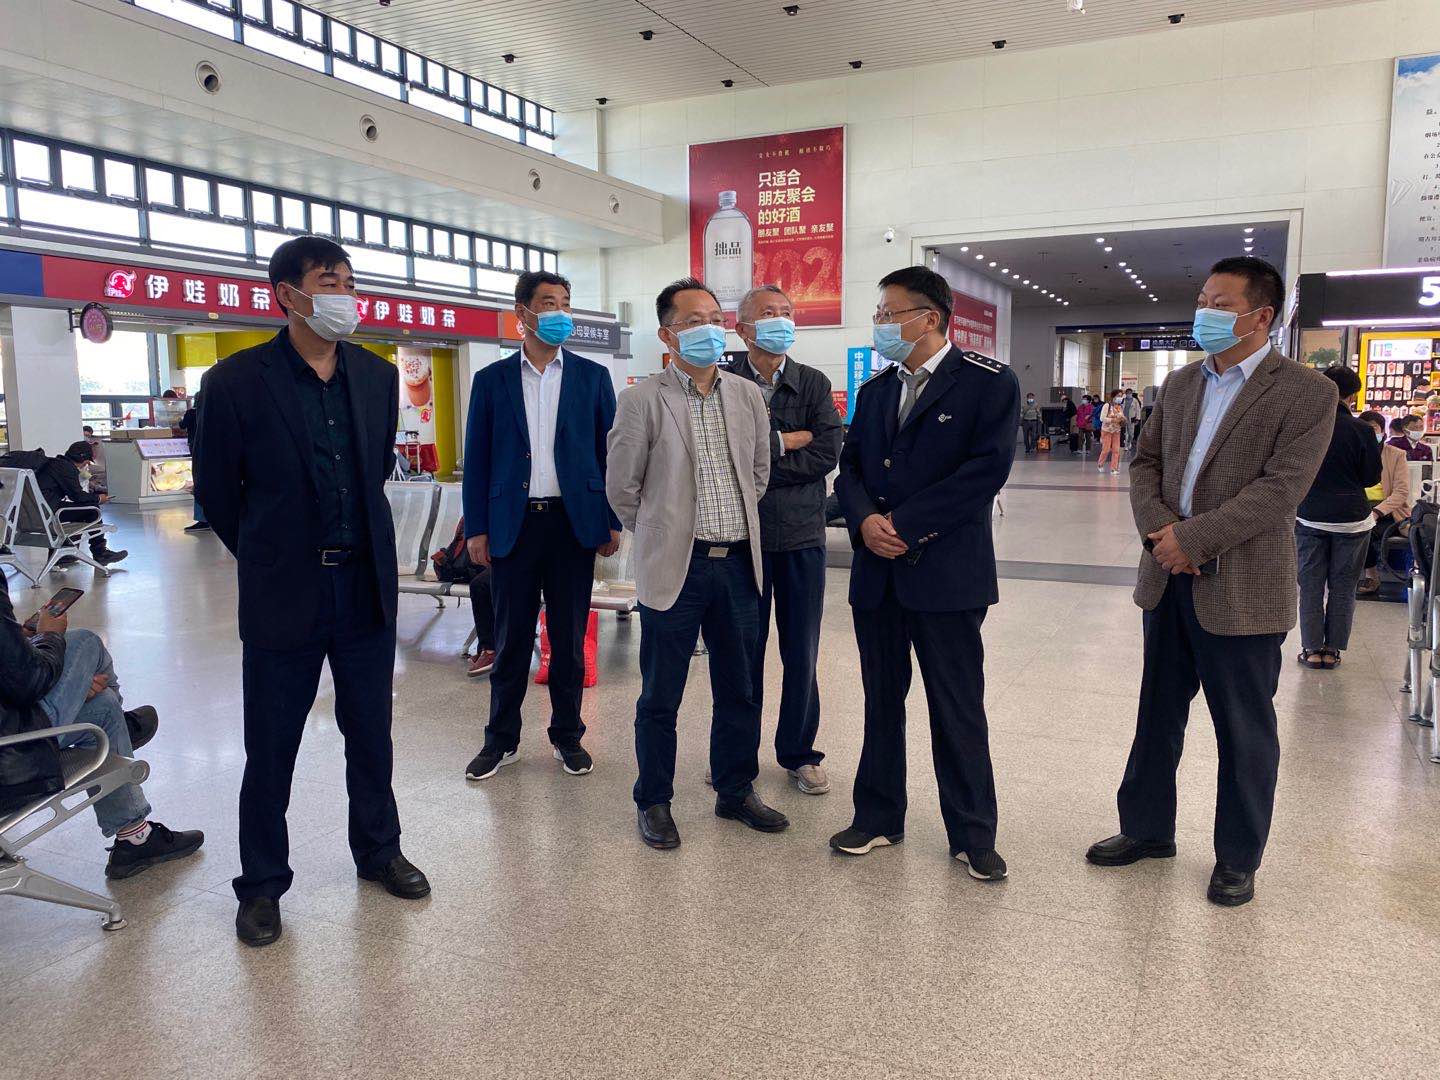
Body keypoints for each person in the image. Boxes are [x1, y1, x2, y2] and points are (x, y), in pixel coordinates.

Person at [194, 236, 430, 948]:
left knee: (371, 733)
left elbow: (373, 472)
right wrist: (271, 555)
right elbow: (218, 494)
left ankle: (379, 850)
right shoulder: (236, 381)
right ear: (287, 295)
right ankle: (262, 885)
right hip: (285, 592)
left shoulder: (376, 376)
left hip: (363, 587)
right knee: (271, 747)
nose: (344, 296)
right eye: (330, 282)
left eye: (350, 283)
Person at [1086, 255, 1337, 908]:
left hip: (1245, 590)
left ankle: (1237, 859)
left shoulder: (1307, 392)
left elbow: (1280, 491)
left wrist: (1192, 540)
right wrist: (1160, 535)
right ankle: (1146, 830)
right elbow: (1144, 463)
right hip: (1167, 580)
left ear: (1261, 316)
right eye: (1202, 300)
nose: (1204, 312)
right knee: (1157, 716)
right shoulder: (1180, 384)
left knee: (1244, 731)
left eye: (1219, 304)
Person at [829, 265, 1019, 882]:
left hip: (946, 574)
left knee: (956, 706)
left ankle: (973, 833)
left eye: (889, 314)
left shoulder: (988, 382)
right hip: (877, 575)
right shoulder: (878, 389)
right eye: (879, 314)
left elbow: (984, 472)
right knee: (881, 701)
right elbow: (851, 467)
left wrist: (904, 525)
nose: (880, 324)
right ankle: (878, 816)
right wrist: (863, 520)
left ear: (929, 318)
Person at [606, 277, 785, 850]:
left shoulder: (747, 394)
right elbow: (622, 488)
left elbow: (758, 472)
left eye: (714, 319)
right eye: (692, 321)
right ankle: (654, 800)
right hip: (675, 569)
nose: (708, 329)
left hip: (738, 566)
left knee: (741, 689)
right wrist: (661, 531)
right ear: (667, 335)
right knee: (661, 695)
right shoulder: (642, 400)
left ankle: (735, 790)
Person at [460, 270, 621, 783]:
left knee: (569, 640)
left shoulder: (592, 377)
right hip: (514, 526)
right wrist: (477, 528)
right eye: (549, 303)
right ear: (523, 312)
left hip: (573, 525)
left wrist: (611, 519)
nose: (560, 313)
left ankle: (568, 736)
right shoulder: (492, 380)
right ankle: (500, 740)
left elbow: (611, 455)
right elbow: (477, 458)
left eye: (565, 303)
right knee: (510, 640)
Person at [0, 570, 202, 878]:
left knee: (102, 706)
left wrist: (17, 641)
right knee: (85, 643)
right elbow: (29, 682)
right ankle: (123, 728)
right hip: (12, 751)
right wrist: (48, 635)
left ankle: (136, 837)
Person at [726, 284, 843, 795]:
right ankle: (735, 755)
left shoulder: (812, 382)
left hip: (800, 537)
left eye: (786, 312)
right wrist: (784, 444)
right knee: (741, 653)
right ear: (742, 329)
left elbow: (826, 452)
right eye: (768, 313)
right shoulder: (724, 381)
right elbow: (717, 453)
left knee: (802, 652)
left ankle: (799, 753)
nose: (781, 320)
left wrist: (756, 467)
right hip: (740, 539)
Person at [1293, 367, 1382, 669]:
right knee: (1343, 587)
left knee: (1310, 586)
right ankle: (1332, 650)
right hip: (1352, 520)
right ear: (1352, 395)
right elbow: (1371, 478)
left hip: (1310, 516)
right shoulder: (1362, 430)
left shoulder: (1305, 426)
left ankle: (1311, 649)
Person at [36, 442, 127, 566]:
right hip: (48, 512)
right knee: (92, 510)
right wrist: (99, 498)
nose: (87, 463)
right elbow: (78, 496)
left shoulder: (54, 464)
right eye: (87, 461)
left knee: (78, 509)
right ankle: (100, 553)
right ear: (84, 459)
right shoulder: (66, 468)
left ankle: (65, 554)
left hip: (35, 513)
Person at [1357, 409, 1411, 596]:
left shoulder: (1396, 454)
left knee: (1365, 529)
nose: (1369, 432)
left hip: (1388, 511)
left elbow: (1401, 492)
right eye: (1364, 428)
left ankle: (1371, 575)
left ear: (1383, 431)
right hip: (1359, 507)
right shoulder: (1353, 452)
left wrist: (1377, 511)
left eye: (1373, 428)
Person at [177, 395, 209, 533]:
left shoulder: (191, 413)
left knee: (200, 482)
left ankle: (203, 519)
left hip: (197, 447)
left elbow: (182, 425)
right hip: (215, 451)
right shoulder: (215, 412)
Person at [1097, 391, 1125, 474]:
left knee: (1116, 450)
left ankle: (1114, 468)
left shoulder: (1120, 407)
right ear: (1113, 397)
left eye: (1121, 396)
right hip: (1107, 430)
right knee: (1106, 449)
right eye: (1118, 396)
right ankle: (1100, 464)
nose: (1120, 398)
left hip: (1116, 430)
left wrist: (1123, 419)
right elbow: (1102, 418)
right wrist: (1113, 420)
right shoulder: (1107, 406)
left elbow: (1122, 417)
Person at [81, 425, 107, 494]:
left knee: (102, 472)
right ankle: (94, 487)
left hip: (84, 466)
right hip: (80, 468)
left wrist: (93, 447)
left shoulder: (89, 444)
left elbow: (93, 457)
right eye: (85, 435)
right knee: (84, 475)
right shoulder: (77, 445)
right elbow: (79, 469)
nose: (86, 438)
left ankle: (94, 485)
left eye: (88, 436)